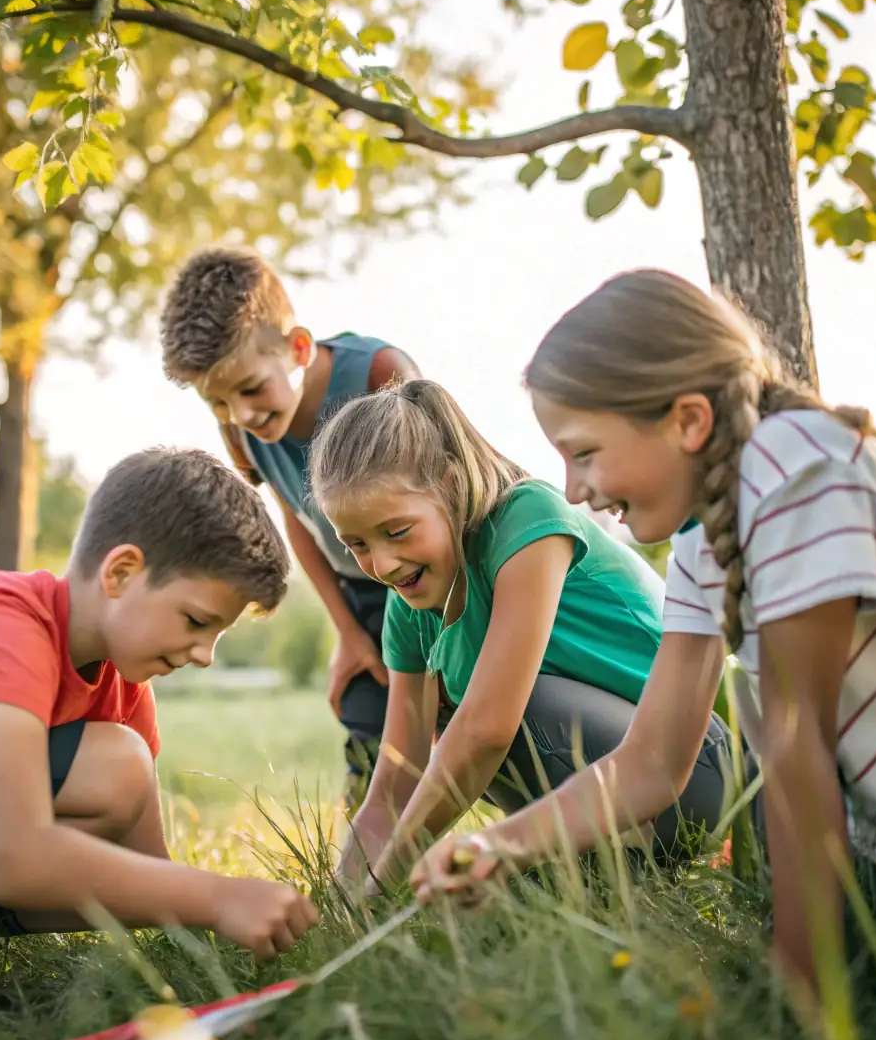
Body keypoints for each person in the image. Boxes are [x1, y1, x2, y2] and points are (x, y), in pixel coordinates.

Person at [413, 269, 876, 998]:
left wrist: (800, 995)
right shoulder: (705, 540)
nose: (573, 489)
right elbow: (653, 760)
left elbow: (799, 740)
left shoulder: (798, 468)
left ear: (688, 421)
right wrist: (497, 842)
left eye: (584, 452)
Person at [0, 448, 317, 1040]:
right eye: (196, 621)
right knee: (114, 768)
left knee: (117, 779)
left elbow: (146, 877)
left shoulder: (121, 687)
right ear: (121, 573)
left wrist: (218, 976)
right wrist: (216, 896)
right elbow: (13, 861)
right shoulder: (1, 623)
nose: (205, 656)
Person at [307, 379, 730, 894]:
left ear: (449, 483)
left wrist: (386, 882)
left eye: (397, 532)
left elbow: (486, 732)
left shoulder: (527, 519)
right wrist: (341, 902)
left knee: (501, 716)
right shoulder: (409, 605)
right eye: (356, 545)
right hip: (599, 795)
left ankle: (636, 867)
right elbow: (396, 781)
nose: (382, 564)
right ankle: (596, 882)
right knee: (455, 728)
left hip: (691, 768)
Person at [160, 246, 419, 800]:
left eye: (251, 389)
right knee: (365, 710)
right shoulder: (245, 430)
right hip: (360, 588)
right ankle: (373, 867)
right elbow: (297, 518)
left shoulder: (380, 374)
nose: (241, 415)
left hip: (432, 577)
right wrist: (347, 632)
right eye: (220, 403)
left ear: (298, 348)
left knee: (447, 708)